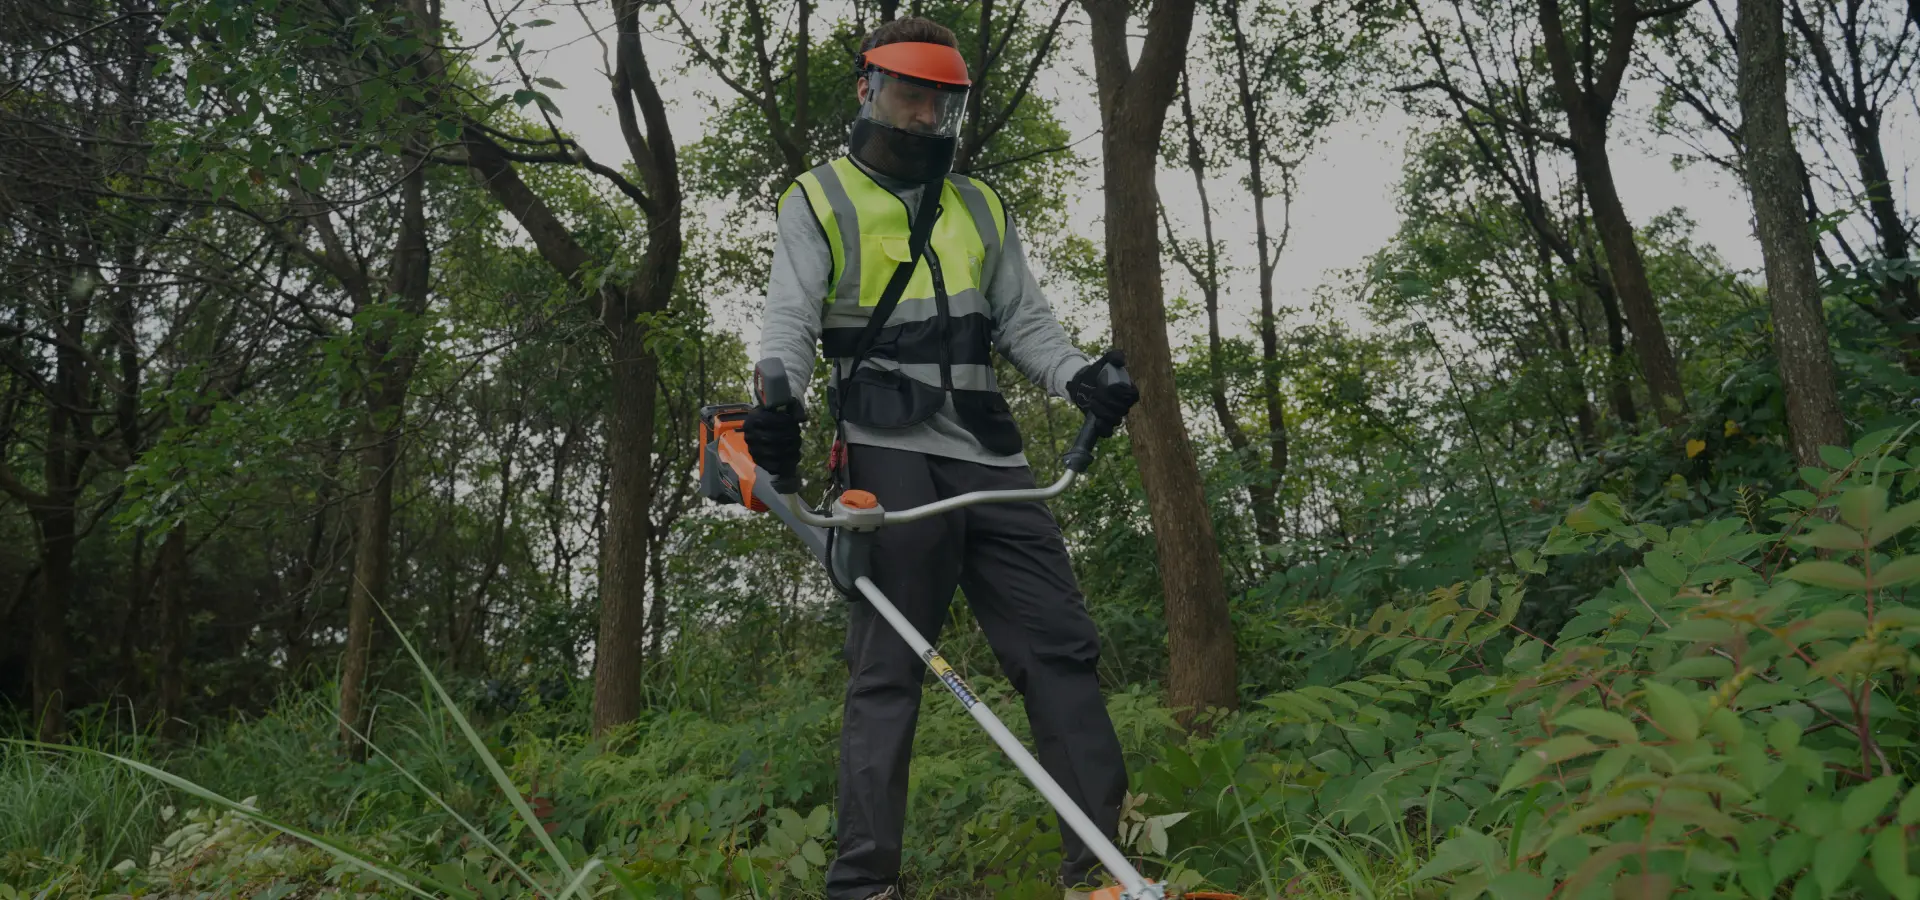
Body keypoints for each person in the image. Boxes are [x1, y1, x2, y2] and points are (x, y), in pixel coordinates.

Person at [742, 16, 1140, 900]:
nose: (925, 116)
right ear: (869, 91)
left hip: (991, 457)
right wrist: (780, 407)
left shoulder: (982, 204)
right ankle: (863, 886)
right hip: (885, 454)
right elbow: (790, 324)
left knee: (1061, 649)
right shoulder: (819, 197)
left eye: (941, 101)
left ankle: (1100, 875)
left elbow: (1026, 322)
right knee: (889, 670)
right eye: (910, 95)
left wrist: (1080, 378)